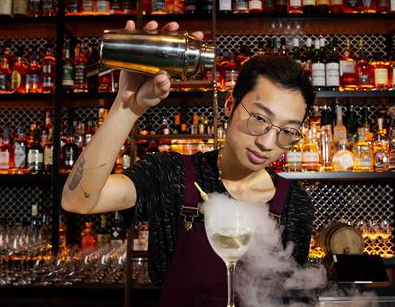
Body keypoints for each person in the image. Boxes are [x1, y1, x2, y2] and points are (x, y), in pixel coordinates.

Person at [61, 20, 315, 306]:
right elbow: (78, 200)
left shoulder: (296, 204)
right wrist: (126, 108)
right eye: (259, 118)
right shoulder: (172, 174)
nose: (268, 143)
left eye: (288, 131)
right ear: (230, 105)